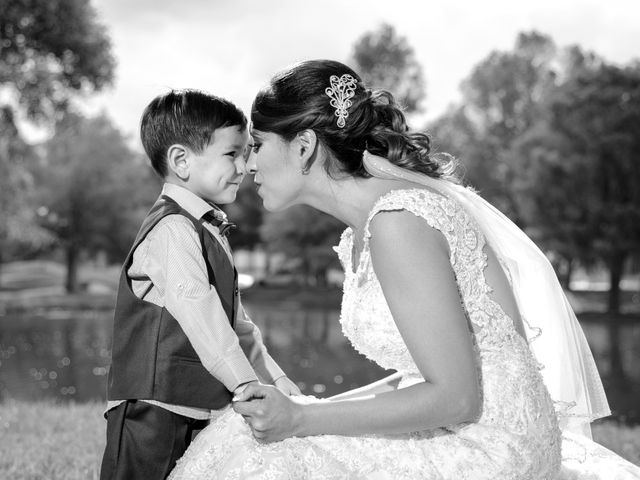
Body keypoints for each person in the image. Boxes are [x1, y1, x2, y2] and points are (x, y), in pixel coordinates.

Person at [168, 62, 640, 479]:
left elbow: (457, 398)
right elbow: (420, 374)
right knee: (246, 438)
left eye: (258, 144)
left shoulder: (399, 223)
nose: (248, 164)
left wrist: (302, 420)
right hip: (463, 424)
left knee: (260, 462)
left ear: (304, 147)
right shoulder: (368, 230)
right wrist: (311, 411)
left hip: (488, 449)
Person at [99, 89, 300, 480]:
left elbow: (238, 328)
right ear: (181, 160)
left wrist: (278, 382)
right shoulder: (173, 229)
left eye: (246, 153)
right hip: (152, 409)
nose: (244, 166)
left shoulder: (208, 228)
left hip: (199, 405)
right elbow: (203, 319)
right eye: (232, 153)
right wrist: (246, 386)